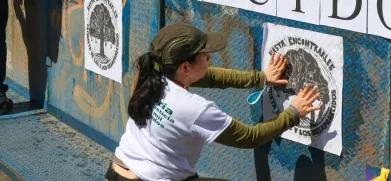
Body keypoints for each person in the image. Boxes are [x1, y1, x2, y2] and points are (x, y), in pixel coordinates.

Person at [108, 24, 322, 181]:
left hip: (117, 173)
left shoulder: (153, 75)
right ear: (184, 67)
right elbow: (250, 137)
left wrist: (260, 78)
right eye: (206, 57)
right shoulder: (195, 109)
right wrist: (294, 112)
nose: (211, 59)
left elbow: (212, 76)